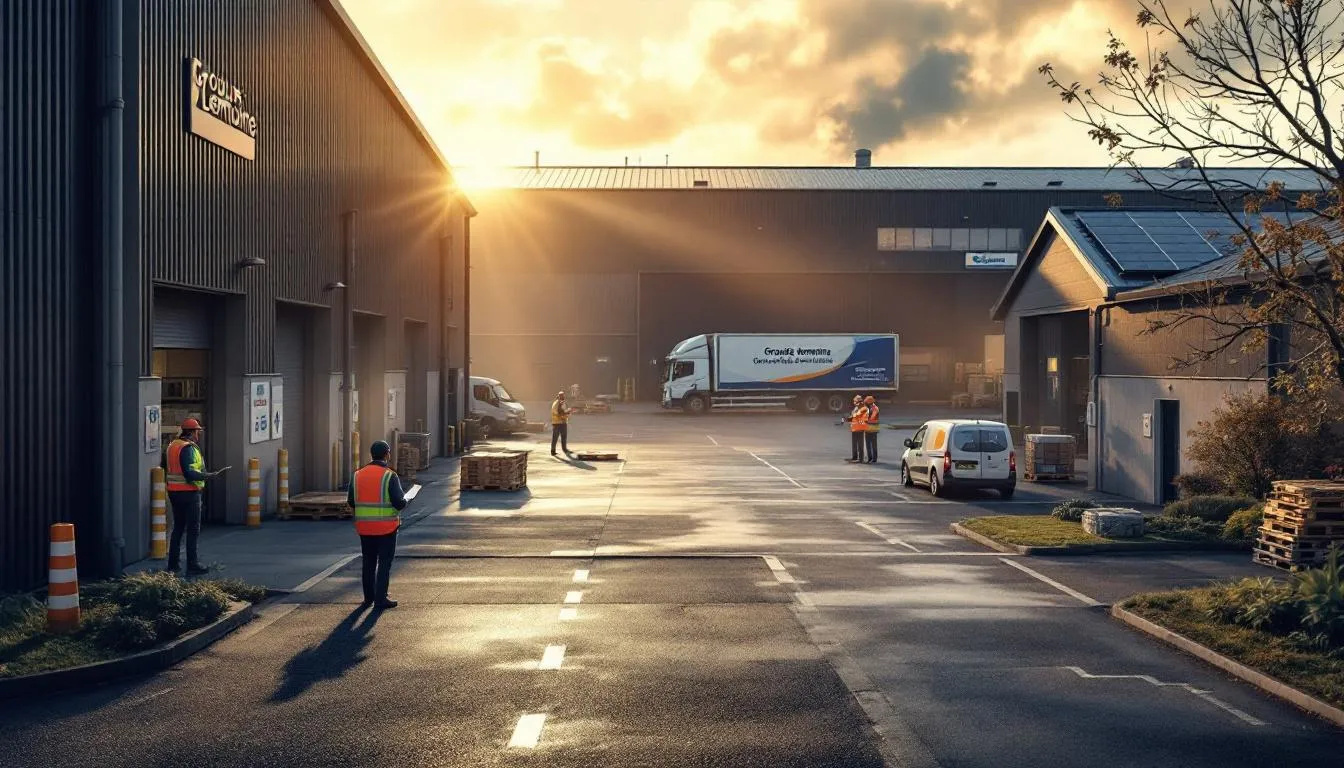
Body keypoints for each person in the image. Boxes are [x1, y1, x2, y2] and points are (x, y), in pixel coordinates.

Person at [348, 440, 408, 610]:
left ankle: (368, 598)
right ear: (387, 454)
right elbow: (399, 502)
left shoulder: (357, 475)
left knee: (368, 562)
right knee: (384, 563)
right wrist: (405, 501)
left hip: (365, 528)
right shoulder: (390, 476)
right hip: (386, 528)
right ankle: (381, 599)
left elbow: (351, 501)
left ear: (372, 454)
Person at [164, 418, 225, 576]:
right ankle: (192, 565)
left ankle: (173, 565)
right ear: (192, 432)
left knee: (178, 528)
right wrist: (209, 475)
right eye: (197, 431)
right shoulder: (188, 448)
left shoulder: (173, 445)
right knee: (193, 529)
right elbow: (189, 473)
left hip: (174, 492)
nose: (198, 435)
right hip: (189, 492)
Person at [846, 395, 869, 463]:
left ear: (859, 402)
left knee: (860, 444)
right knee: (854, 444)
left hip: (860, 428)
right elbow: (853, 416)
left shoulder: (864, 408)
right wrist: (849, 419)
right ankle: (854, 457)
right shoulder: (856, 408)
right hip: (854, 428)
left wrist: (851, 417)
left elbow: (857, 416)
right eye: (854, 401)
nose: (854, 403)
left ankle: (861, 459)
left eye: (855, 401)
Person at [551, 391, 573, 456]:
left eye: (563, 396)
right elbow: (555, 412)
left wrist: (568, 412)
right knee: (555, 437)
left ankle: (564, 449)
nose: (563, 397)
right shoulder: (556, 403)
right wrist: (563, 414)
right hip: (557, 423)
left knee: (564, 437)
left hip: (563, 422)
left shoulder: (564, 403)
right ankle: (553, 451)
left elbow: (565, 411)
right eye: (561, 396)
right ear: (558, 396)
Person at [864, 395, 881, 464]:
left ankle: (874, 459)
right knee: (868, 445)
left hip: (873, 430)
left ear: (869, 403)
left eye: (866, 403)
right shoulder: (869, 408)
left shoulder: (875, 409)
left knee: (873, 445)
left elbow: (871, 418)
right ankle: (870, 458)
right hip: (868, 429)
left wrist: (865, 420)